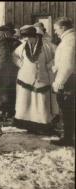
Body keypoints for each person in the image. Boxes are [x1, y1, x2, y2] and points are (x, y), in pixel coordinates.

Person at [12, 25, 59, 134]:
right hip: (25, 80)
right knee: (26, 103)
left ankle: (43, 126)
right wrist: (20, 63)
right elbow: (14, 55)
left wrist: (50, 64)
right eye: (24, 37)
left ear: (34, 36)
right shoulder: (23, 47)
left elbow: (59, 56)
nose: (26, 39)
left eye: (28, 37)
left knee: (41, 103)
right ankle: (28, 125)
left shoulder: (47, 46)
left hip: (41, 79)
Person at [50, 17, 75, 146]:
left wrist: (59, 82)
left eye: (56, 29)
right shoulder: (69, 39)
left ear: (63, 28)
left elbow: (68, 65)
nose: (55, 32)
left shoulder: (69, 41)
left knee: (67, 110)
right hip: (70, 78)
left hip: (69, 80)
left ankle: (68, 138)